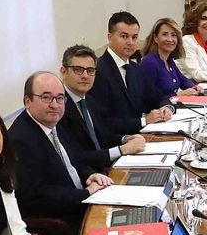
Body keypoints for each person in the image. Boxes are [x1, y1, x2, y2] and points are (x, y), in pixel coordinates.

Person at [10, 70, 114, 235]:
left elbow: (75, 161)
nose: (55, 104)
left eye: (59, 98)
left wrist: (91, 175)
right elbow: (36, 195)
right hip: (65, 222)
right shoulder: (21, 140)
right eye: (46, 97)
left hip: (83, 205)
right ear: (27, 101)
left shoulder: (54, 124)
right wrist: (86, 193)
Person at [58, 43, 147, 176]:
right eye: (78, 69)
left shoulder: (89, 100)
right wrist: (121, 150)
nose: (85, 76)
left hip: (107, 171)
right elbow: (76, 156)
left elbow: (103, 137)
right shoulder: (58, 107)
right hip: (88, 178)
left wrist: (125, 139)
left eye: (90, 70)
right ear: (64, 72)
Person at [91, 12, 176, 134]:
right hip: (116, 143)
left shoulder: (135, 69)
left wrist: (166, 108)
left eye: (134, 37)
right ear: (110, 37)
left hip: (140, 139)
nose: (130, 42)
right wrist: (144, 121)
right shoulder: (98, 70)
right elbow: (102, 121)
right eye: (124, 36)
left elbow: (158, 97)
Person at [136, 18, 196, 101]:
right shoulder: (149, 63)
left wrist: (195, 87)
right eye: (165, 34)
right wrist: (178, 95)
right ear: (155, 38)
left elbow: (183, 80)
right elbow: (149, 99)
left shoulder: (169, 60)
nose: (170, 39)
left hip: (170, 109)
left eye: (173, 35)